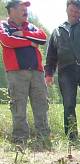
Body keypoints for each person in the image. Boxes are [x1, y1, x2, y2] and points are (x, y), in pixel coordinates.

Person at [44, 0, 80, 141]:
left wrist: (78, 2)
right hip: (65, 71)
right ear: (67, 10)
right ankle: (72, 138)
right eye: (72, 10)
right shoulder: (57, 31)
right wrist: (49, 73)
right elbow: (51, 55)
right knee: (69, 105)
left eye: (77, 11)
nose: (75, 13)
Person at [0, 0, 49, 145]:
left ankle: (43, 138)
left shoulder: (30, 26)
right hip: (16, 73)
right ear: (12, 10)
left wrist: (23, 33)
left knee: (41, 104)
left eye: (26, 8)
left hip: (37, 72)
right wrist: (29, 42)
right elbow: (6, 40)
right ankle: (20, 140)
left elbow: (42, 37)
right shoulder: (3, 25)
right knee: (18, 106)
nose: (25, 11)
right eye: (22, 8)